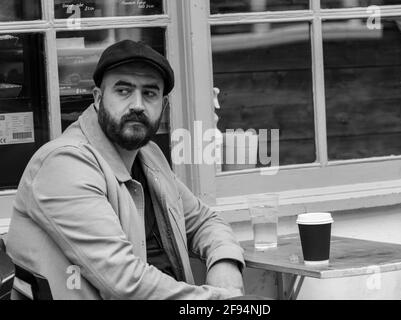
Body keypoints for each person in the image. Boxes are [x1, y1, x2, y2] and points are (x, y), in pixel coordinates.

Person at [6, 40, 245, 300]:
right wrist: (221, 301)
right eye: (123, 91)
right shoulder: (65, 163)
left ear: (163, 105)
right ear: (98, 98)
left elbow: (203, 221)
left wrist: (225, 262)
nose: (138, 105)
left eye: (150, 93)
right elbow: (124, 282)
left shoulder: (148, 154)